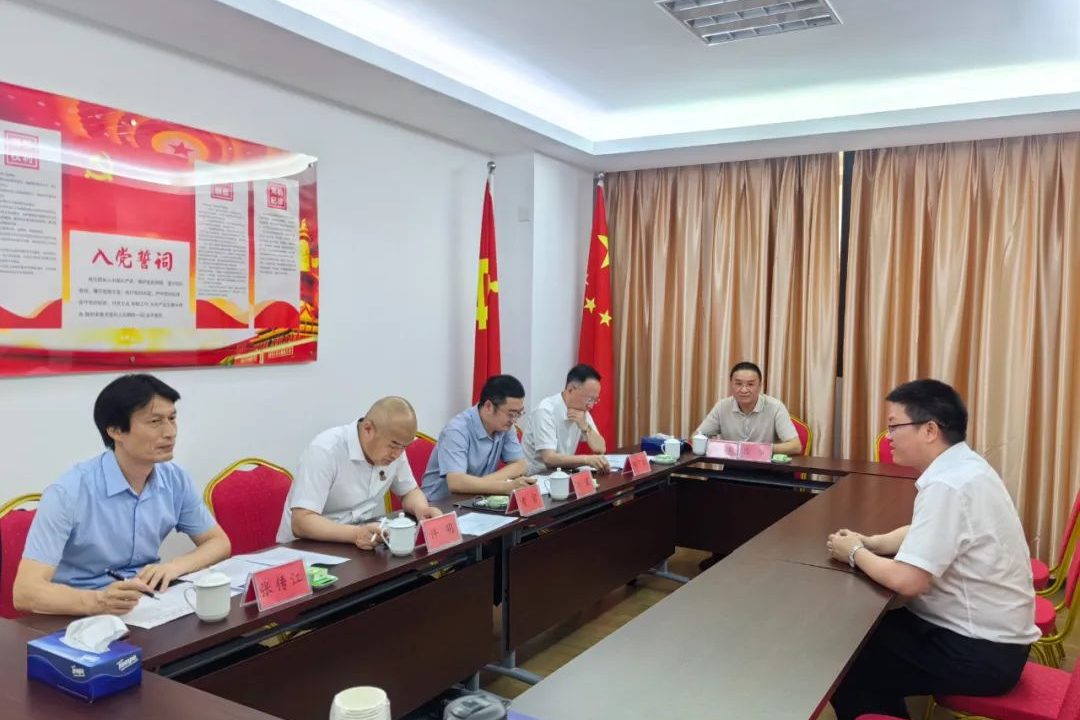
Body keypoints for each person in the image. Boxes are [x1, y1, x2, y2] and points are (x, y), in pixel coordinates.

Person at [827, 379, 1038, 720]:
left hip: (980, 651)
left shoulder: (948, 483)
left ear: (929, 430)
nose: (888, 436)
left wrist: (854, 552)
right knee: (859, 637)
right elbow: (928, 532)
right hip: (989, 637)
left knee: (847, 664)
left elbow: (909, 581)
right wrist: (874, 542)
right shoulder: (965, 466)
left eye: (894, 426)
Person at [14, 374, 231, 616]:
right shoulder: (68, 493)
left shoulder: (175, 479)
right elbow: (25, 592)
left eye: (172, 418)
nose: (170, 432)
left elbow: (219, 542)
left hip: (145, 604)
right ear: (116, 431)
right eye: (155, 421)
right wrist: (98, 602)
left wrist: (174, 567)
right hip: (79, 613)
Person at [277, 396, 441, 548]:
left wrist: (422, 509)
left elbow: (409, 492)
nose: (397, 454)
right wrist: (355, 534)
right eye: (393, 446)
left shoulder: (395, 452)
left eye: (404, 447)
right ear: (368, 429)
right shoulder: (325, 451)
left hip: (357, 542)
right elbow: (301, 521)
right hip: (306, 549)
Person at [421, 374, 536, 501]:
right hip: (439, 504)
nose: (514, 420)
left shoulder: (505, 426)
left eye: (519, 413)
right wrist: (505, 487)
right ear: (488, 406)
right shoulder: (456, 430)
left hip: (475, 498)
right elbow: (456, 482)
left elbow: (520, 465)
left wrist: (479, 484)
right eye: (511, 414)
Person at [693, 361, 802, 456]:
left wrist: (756, 449)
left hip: (768, 466)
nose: (744, 390)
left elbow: (795, 446)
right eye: (738, 384)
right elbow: (697, 437)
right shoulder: (722, 406)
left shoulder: (775, 407)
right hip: (734, 466)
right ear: (731, 384)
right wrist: (723, 447)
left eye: (750, 384)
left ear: (760, 386)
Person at [520, 364, 609, 475]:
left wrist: (585, 427)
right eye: (589, 399)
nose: (591, 406)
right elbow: (549, 459)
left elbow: (600, 448)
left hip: (562, 473)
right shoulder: (545, 411)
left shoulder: (582, 411)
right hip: (535, 477)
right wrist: (586, 460)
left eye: (595, 400)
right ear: (571, 389)